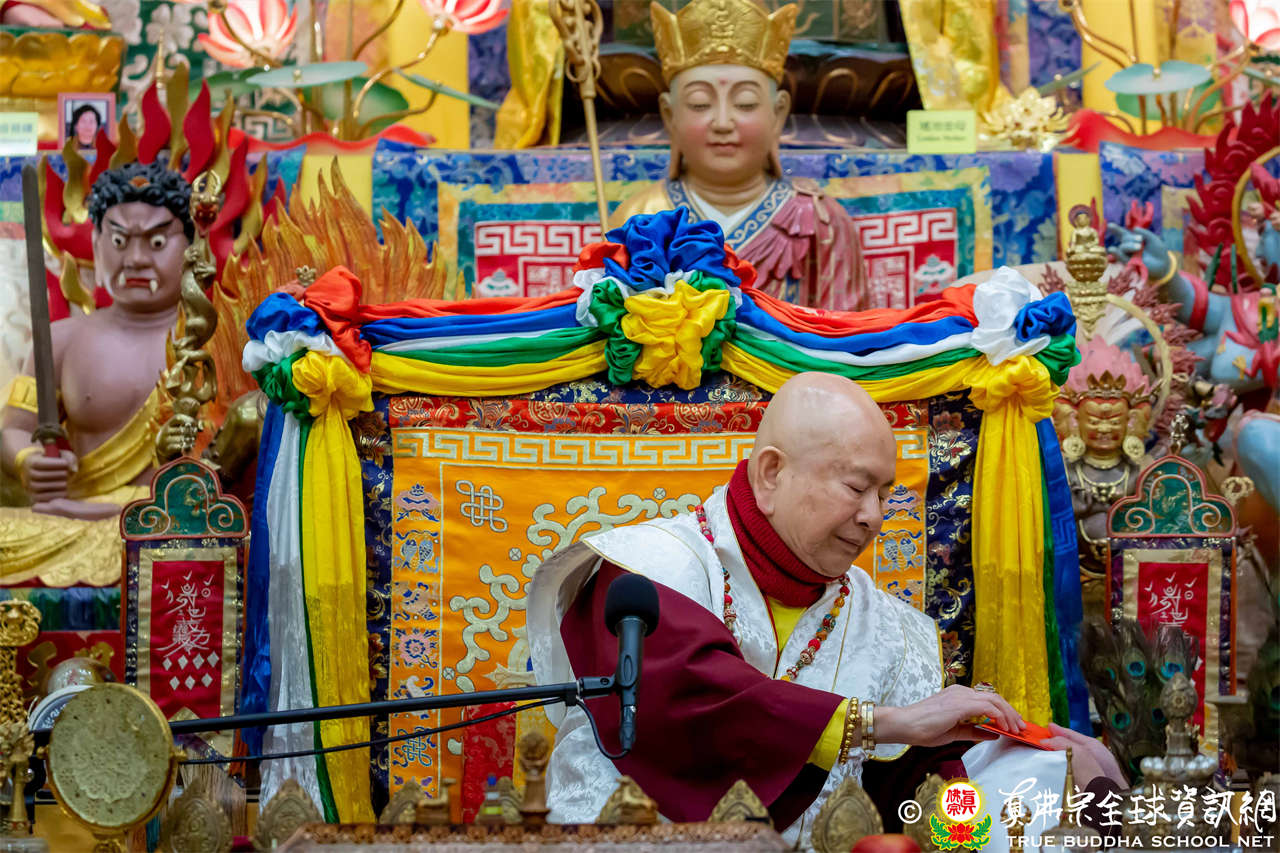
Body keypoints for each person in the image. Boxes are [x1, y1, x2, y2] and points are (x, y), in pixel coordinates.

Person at [528, 372, 1125, 848]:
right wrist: (882, 723)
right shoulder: (649, 568)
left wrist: (1022, 783)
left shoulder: (887, 628)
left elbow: (920, 787)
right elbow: (695, 700)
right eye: (856, 487)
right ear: (771, 473)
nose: (874, 517)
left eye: (885, 493)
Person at [607, 0, 869, 311]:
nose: (722, 123)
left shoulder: (819, 222)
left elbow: (846, 331)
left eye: (745, 103)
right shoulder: (639, 219)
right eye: (700, 103)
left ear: (778, 113)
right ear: (669, 115)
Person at [0, 160, 192, 585]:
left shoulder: (213, 341)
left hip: (177, 525)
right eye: (119, 240)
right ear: (97, 243)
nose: (136, 259)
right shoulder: (62, 340)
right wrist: (29, 460)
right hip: (74, 518)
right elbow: (14, 429)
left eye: (157, 242)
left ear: (191, 247)